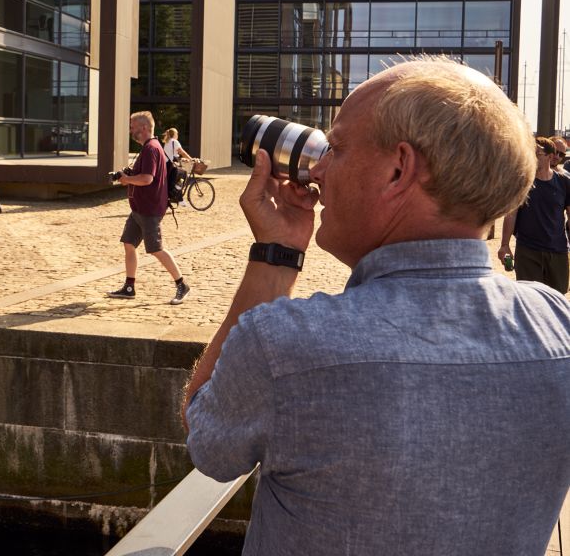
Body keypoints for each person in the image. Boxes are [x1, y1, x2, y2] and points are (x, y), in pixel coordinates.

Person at [182, 57, 570, 555]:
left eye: (336, 148)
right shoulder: (557, 329)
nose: (317, 168)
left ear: (398, 169)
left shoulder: (288, 347)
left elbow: (208, 436)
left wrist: (274, 258)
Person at [107, 111, 190, 305]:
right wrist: (124, 174)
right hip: (139, 209)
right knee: (129, 244)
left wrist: (126, 180)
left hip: (150, 210)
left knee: (156, 249)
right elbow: (142, 173)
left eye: (132, 127)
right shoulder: (148, 148)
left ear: (143, 128)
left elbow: (147, 178)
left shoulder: (151, 149)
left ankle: (182, 285)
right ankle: (129, 287)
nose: (130, 130)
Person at [499, 136, 570, 293]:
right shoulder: (521, 182)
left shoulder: (564, 182)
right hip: (528, 251)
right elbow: (511, 214)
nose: (532, 157)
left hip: (558, 252)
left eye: (537, 154)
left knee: (557, 298)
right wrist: (505, 245)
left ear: (549, 157)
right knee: (530, 298)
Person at [161, 127, 192, 206]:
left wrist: (184, 159)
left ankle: (178, 197)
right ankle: (178, 197)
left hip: (166, 164)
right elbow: (182, 152)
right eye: (177, 133)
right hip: (170, 165)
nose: (178, 134)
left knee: (175, 181)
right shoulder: (174, 141)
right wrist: (191, 159)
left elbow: (174, 155)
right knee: (183, 175)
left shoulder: (168, 141)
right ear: (174, 134)